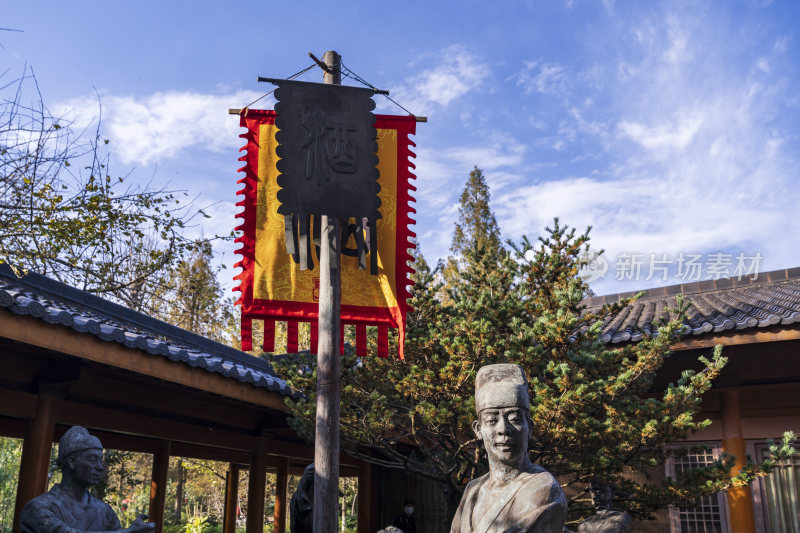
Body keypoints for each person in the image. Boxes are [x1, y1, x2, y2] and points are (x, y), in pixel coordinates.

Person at [450, 364, 567, 533]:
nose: (503, 429)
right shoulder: (472, 489)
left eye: (514, 419)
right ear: (478, 429)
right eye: (491, 420)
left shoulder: (544, 488)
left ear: (530, 427)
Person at [20, 426, 155, 533]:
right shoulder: (38, 507)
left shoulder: (105, 511)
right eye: (92, 460)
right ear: (72, 462)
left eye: (100, 460)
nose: (100, 467)